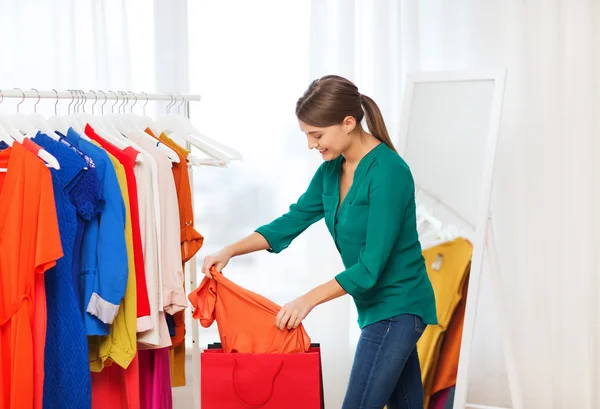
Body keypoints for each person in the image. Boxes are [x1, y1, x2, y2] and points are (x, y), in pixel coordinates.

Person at [201, 75, 437, 409]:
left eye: (317, 135)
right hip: (374, 309)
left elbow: (370, 267)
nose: (312, 145)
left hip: (399, 306)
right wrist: (230, 250)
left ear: (348, 122)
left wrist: (306, 301)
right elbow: (292, 221)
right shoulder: (331, 170)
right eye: (307, 135)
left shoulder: (389, 172)